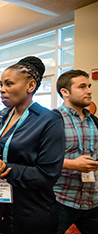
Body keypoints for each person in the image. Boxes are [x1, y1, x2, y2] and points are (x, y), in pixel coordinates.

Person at [0, 56, 65, 234]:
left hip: (29, 211)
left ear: (30, 86)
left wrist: (1, 169)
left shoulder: (49, 120)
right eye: (1, 84)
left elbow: (47, 175)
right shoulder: (1, 117)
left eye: (9, 84)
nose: (2, 90)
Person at [53, 70, 98, 234]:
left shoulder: (94, 121)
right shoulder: (52, 119)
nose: (89, 90)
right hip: (62, 199)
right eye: (82, 86)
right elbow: (38, 159)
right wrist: (72, 164)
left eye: (89, 86)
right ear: (65, 92)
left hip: (93, 200)